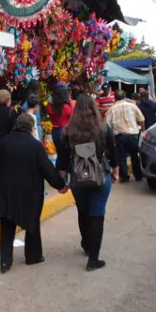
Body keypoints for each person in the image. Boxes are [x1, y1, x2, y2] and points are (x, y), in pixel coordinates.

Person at [0, 114, 67, 273]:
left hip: (7, 190)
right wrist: (60, 185)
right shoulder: (35, 145)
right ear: (31, 128)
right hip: (30, 192)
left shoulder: (4, 142)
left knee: (6, 225)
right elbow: (48, 170)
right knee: (32, 224)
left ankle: (5, 261)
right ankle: (33, 256)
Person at [61, 94, 115, 271]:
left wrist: (62, 180)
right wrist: (114, 171)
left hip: (77, 178)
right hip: (100, 175)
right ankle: (93, 258)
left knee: (83, 211)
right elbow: (114, 155)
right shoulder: (103, 128)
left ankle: (86, 243)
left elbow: (62, 160)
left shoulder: (67, 131)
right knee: (97, 213)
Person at [106, 90, 145, 183]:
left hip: (119, 136)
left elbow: (107, 125)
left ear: (115, 97)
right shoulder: (132, 106)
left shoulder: (111, 109)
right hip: (133, 135)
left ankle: (124, 177)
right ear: (124, 96)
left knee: (121, 157)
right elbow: (142, 119)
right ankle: (138, 175)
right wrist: (142, 130)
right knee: (135, 155)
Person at [46, 84, 73, 167]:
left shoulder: (50, 107)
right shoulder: (66, 107)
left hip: (55, 131)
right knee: (67, 156)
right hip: (64, 131)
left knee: (60, 155)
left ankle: (59, 173)